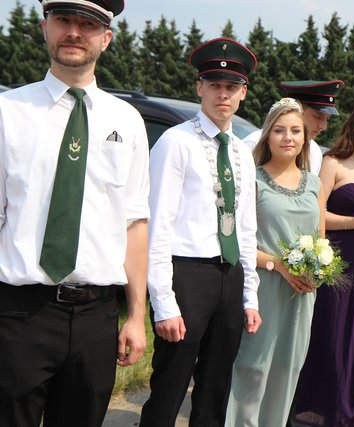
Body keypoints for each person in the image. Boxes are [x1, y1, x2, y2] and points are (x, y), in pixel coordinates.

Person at [0, 1, 149, 426]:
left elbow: (135, 224)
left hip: (95, 319)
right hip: (19, 314)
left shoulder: (128, 121)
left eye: (88, 24)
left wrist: (136, 317)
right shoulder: (8, 112)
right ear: (44, 26)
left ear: (107, 38)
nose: (74, 32)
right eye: (63, 20)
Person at [140, 38, 261, 427]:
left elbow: (245, 227)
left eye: (231, 86)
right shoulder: (176, 142)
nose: (222, 94)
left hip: (230, 273)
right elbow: (158, 224)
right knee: (170, 384)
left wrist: (249, 295)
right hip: (187, 274)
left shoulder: (242, 151)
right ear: (199, 88)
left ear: (243, 92)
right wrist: (163, 301)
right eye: (214, 85)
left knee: (215, 386)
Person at [225, 98, 324, 427]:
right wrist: (278, 264)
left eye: (296, 131)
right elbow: (238, 243)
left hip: (302, 293)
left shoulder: (314, 183)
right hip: (263, 285)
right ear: (267, 136)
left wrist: (319, 269)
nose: (288, 137)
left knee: (288, 367)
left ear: (305, 138)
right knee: (252, 366)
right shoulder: (252, 180)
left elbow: (321, 239)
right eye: (279, 130)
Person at [294, 98, 354, 426]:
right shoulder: (333, 162)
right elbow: (317, 213)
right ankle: (322, 407)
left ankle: (353, 408)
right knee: (334, 332)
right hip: (341, 256)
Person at [243, 80, 345, 175]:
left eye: (327, 119)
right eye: (318, 117)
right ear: (297, 111)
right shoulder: (252, 144)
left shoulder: (314, 151)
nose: (323, 126)